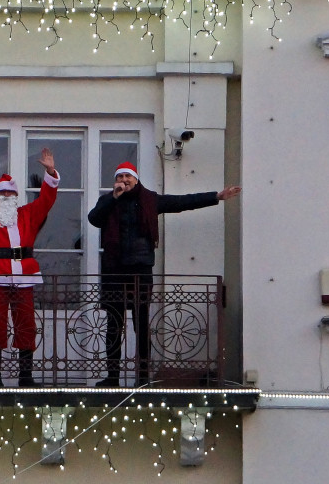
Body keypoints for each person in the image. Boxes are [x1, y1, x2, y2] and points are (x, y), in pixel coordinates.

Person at [87, 161, 241, 387]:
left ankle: (141, 378)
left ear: (136, 179)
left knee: (141, 325)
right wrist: (113, 197)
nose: (124, 181)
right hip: (114, 270)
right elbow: (95, 219)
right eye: (120, 177)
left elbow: (181, 202)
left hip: (140, 269)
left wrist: (215, 197)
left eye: (128, 177)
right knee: (113, 325)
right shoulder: (109, 201)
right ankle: (112, 377)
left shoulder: (150, 200)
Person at [0, 143, 59, 387]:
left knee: (26, 323)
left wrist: (50, 174)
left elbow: (47, 200)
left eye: (10, 194)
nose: (6, 197)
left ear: (16, 197)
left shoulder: (28, 214)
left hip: (24, 275)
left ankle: (25, 376)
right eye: (2, 194)